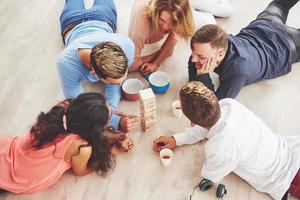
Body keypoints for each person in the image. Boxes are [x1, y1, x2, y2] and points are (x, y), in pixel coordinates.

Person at [153, 82, 300, 200]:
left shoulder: (220, 147)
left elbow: (211, 174)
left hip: (286, 177)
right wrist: (176, 139)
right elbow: (205, 127)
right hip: (293, 150)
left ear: (191, 122)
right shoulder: (229, 104)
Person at [0, 93, 134, 194]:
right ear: (94, 128)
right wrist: (113, 150)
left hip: (12, 149)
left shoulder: (62, 108)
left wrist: (109, 113)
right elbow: (81, 171)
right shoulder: (80, 146)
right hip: (21, 175)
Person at [188, 0, 300, 99]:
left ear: (220, 54)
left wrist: (202, 76)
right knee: (279, 4)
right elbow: (193, 67)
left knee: (280, 4)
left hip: (284, 44)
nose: (193, 59)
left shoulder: (236, 71)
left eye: (201, 57)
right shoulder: (217, 42)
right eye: (194, 54)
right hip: (265, 23)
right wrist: (198, 74)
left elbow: (215, 107)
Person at [57, 0, 139, 132]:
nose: (120, 83)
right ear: (94, 73)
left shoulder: (127, 46)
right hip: (72, 22)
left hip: (102, 17)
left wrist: (111, 110)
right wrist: (114, 121)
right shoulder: (66, 63)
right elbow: (82, 106)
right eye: (114, 82)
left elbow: (113, 83)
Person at [128, 0, 215, 74]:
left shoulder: (178, 14)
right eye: (162, 20)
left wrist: (156, 63)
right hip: (147, 12)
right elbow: (130, 65)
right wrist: (160, 52)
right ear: (156, 12)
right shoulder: (142, 17)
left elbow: (171, 45)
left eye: (173, 23)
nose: (166, 27)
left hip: (189, 12)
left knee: (218, 17)